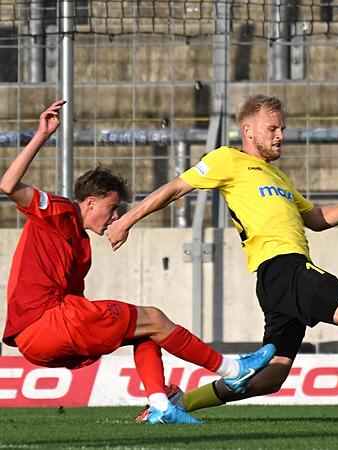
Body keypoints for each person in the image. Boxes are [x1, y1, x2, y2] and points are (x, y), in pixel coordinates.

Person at [108, 94, 338, 421]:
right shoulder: (226, 159)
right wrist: (126, 220)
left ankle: (178, 403)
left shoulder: (278, 177)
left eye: (282, 128)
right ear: (249, 130)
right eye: (273, 128)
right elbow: (174, 189)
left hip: (280, 277)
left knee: (272, 376)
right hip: (283, 267)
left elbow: (315, 219)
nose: (280, 134)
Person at [1, 100, 275, 425]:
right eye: (112, 207)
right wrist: (42, 135)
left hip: (40, 339)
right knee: (154, 317)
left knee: (147, 332)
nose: (115, 215)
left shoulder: (83, 247)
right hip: (44, 323)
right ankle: (232, 370)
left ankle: (160, 405)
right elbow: (8, 185)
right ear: (91, 202)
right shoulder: (58, 210)